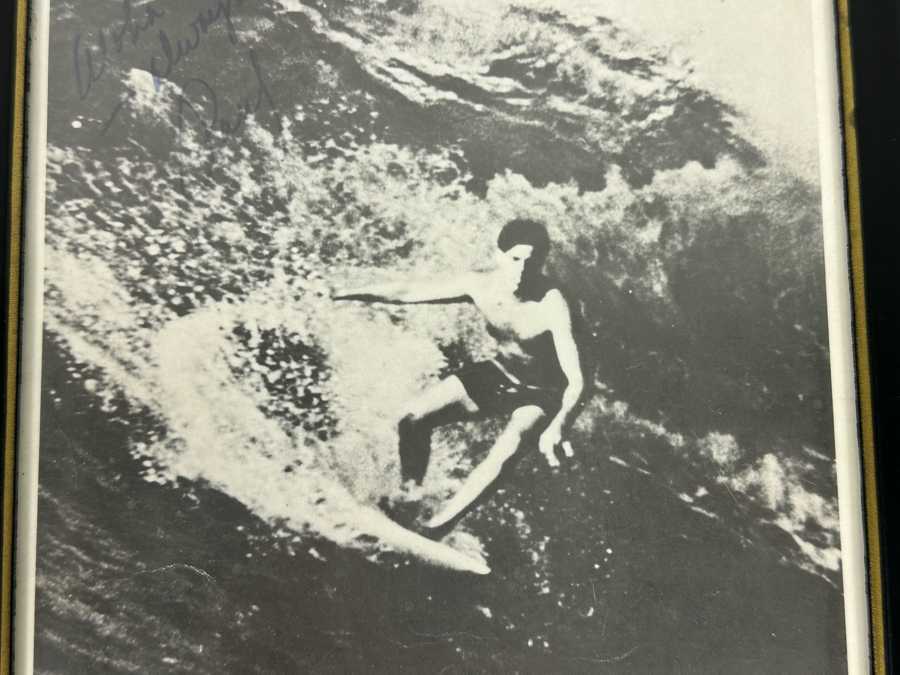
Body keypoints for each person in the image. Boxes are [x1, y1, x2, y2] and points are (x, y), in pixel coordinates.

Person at [333, 219, 584, 529]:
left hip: (546, 391)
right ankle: (409, 499)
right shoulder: (480, 285)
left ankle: (437, 528)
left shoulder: (554, 305)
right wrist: (340, 292)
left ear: (542, 261)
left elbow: (578, 380)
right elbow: (405, 291)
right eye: (515, 259)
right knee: (413, 418)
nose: (521, 269)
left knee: (509, 445)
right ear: (498, 255)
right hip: (502, 371)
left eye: (531, 262)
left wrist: (559, 424)